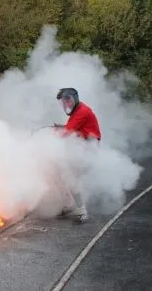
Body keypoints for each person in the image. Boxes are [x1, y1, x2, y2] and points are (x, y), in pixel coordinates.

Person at [54, 87, 101, 224]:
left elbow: (67, 132)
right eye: (63, 102)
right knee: (59, 171)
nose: (65, 104)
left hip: (88, 149)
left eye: (67, 101)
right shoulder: (78, 110)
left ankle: (81, 211)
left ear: (74, 99)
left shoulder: (82, 111)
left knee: (69, 174)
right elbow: (73, 129)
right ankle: (70, 205)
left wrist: (52, 134)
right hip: (83, 146)